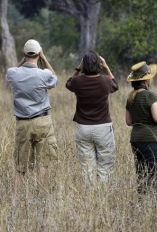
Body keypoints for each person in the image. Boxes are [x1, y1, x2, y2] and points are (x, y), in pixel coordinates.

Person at [6, 39, 58, 187]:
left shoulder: (13, 73)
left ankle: (17, 198)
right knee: (43, 163)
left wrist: (22, 61)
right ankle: (41, 195)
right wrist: (44, 59)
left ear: (24, 53)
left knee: (20, 166)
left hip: (22, 122)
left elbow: (12, 75)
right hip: (42, 121)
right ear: (39, 53)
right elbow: (55, 79)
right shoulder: (44, 74)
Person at [66, 50, 119, 185]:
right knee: (105, 164)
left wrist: (78, 67)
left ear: (84, 64)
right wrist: (106, 67)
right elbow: (115, 85)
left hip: (83, 128)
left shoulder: (78, 82)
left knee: (87, 165)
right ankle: (102, 194)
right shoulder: (105, 81)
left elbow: (68, 83)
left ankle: (89, 196)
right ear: (98, 64)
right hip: (102, 127)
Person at [125, 62, 157, 195]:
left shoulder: (131, 97)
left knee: (141, 172)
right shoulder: (150, 96)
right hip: (152, 139)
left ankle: (141, 200)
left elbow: (128, 121)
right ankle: (154, 203)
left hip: (136, 139)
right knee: (155, 173)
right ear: (146, 79)